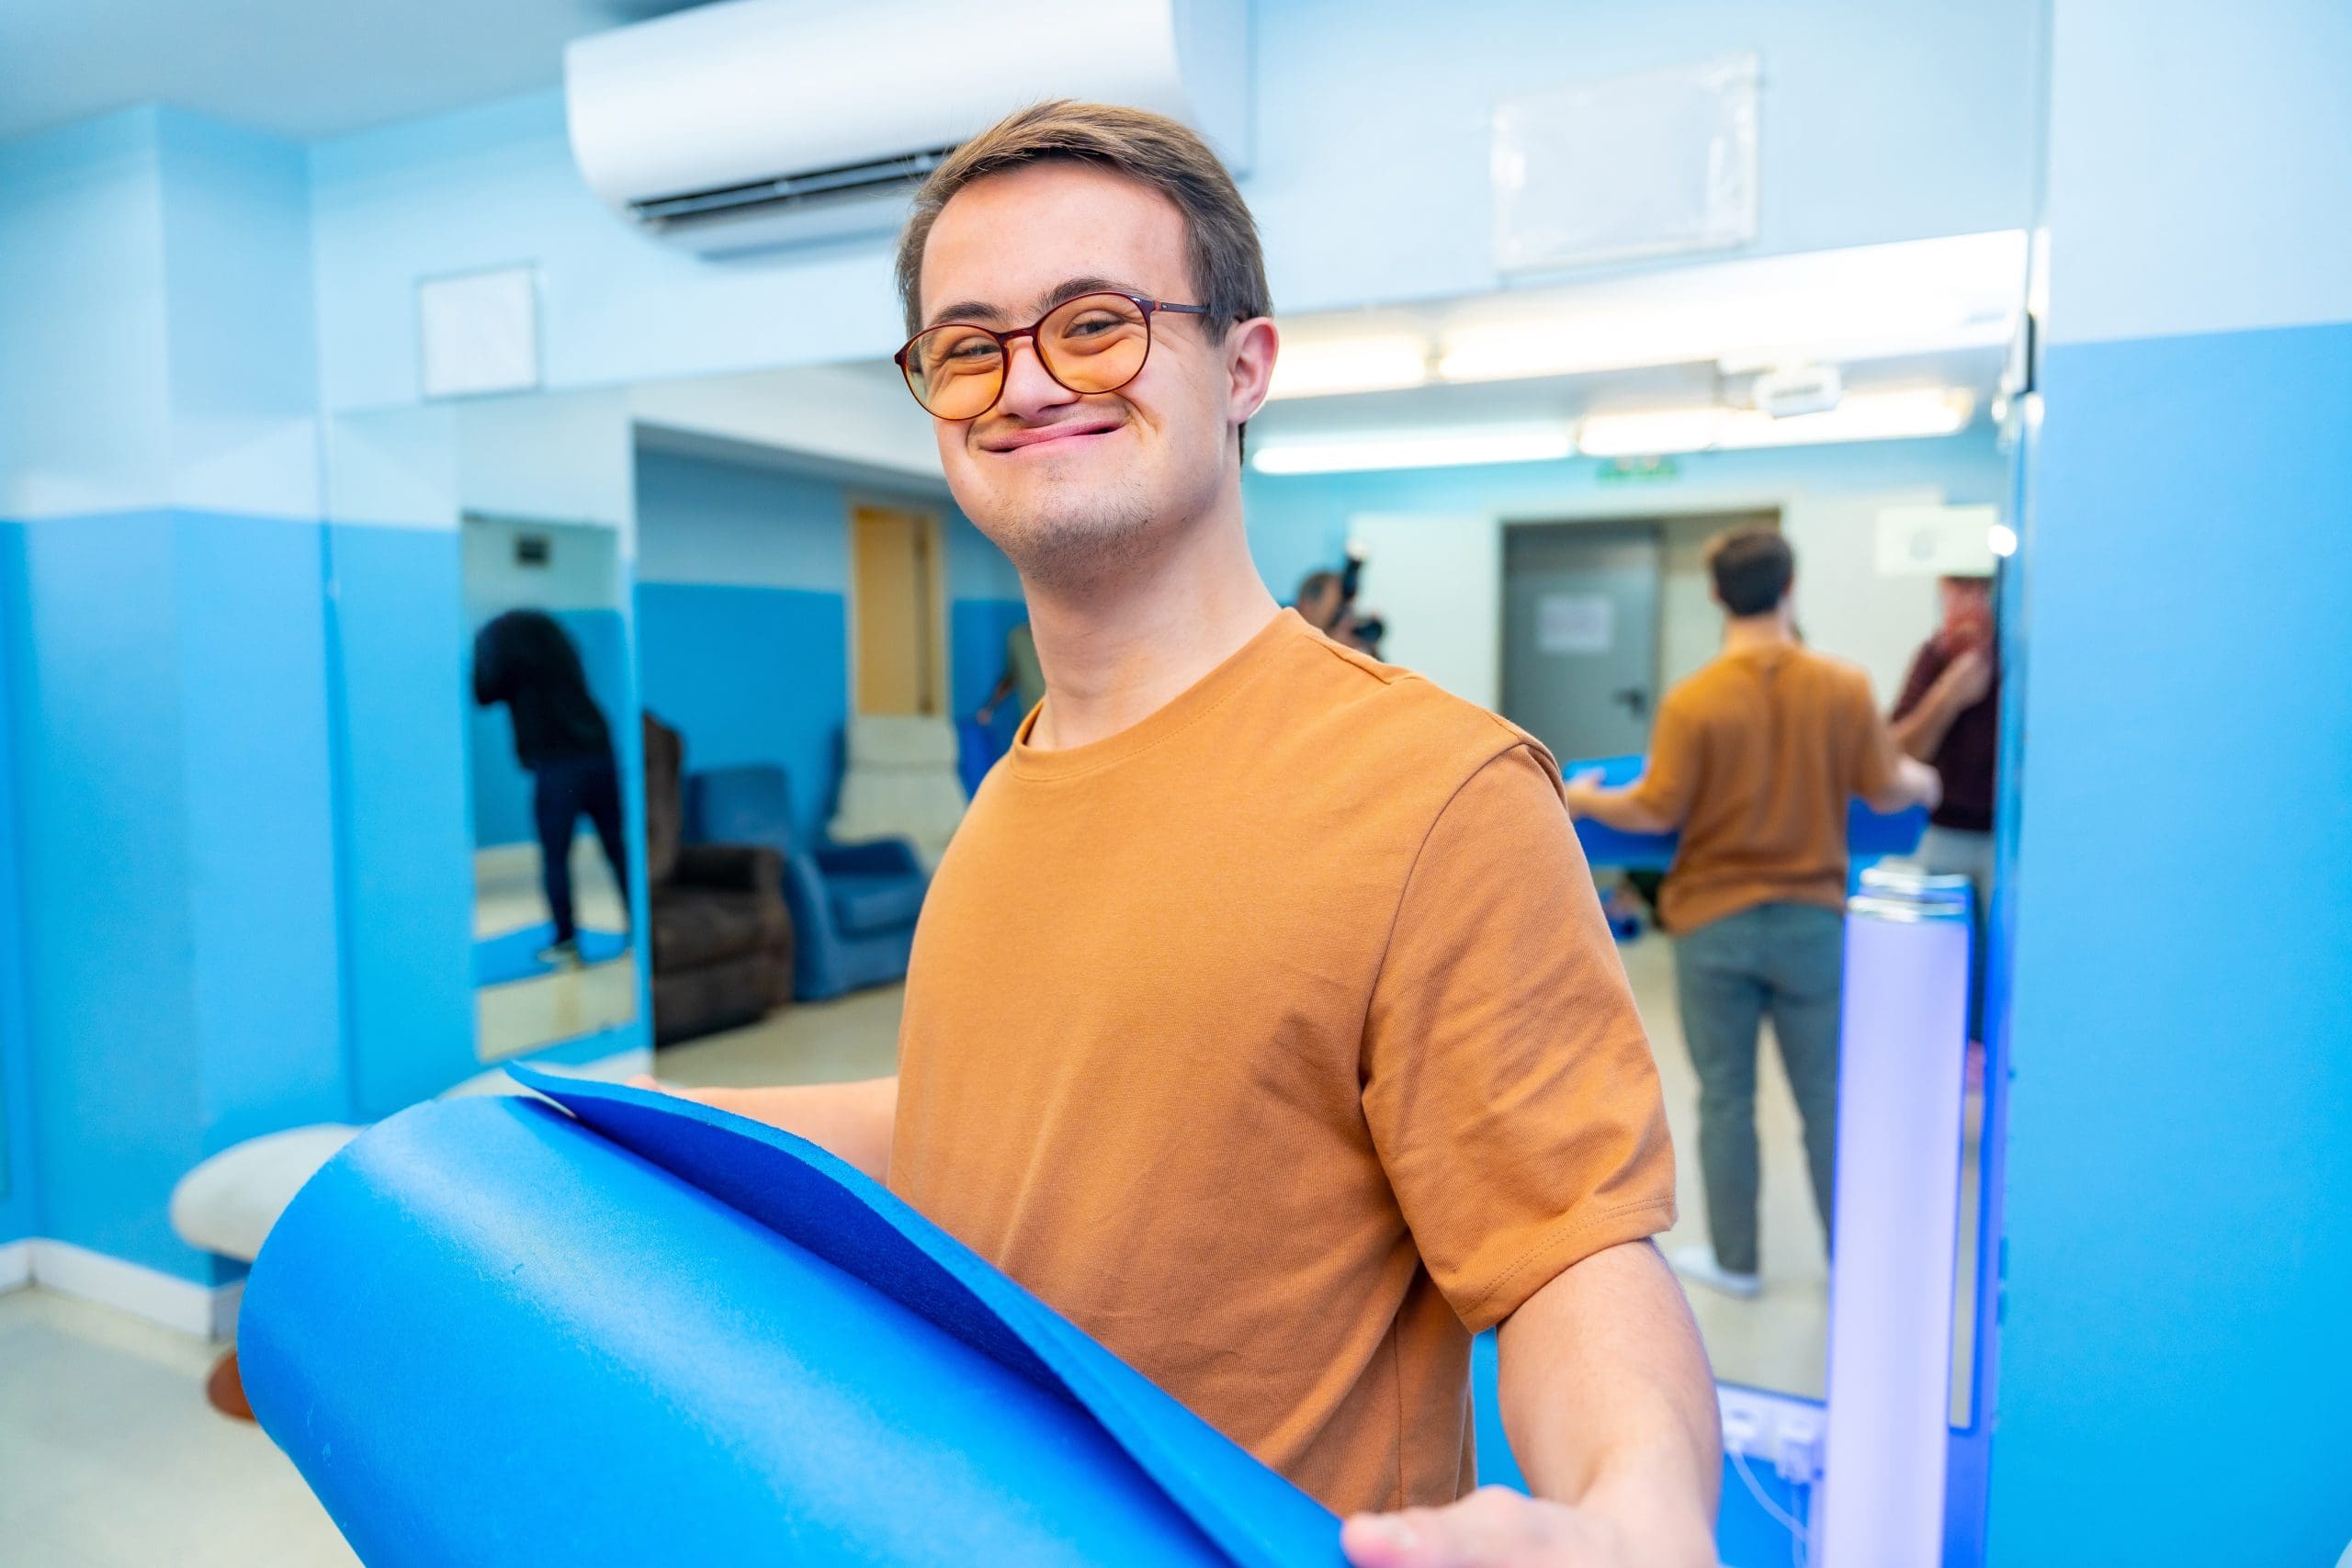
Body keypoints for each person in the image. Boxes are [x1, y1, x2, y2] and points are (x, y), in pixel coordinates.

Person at [639, 101, 1720, 1567]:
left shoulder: (1437, 790)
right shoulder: (1017, 776)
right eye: (969, 345)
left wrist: (1638, 1510)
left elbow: (1569, 1251)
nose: (1027, 381)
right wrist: (591, 1123)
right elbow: (1015, 1111)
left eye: (1096, 322)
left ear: (1245, 364)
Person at [1564, 529, 1940, 1300]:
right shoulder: (1843, 686)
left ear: (1714, 595)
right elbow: (1883, 784)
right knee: (1826, 1098)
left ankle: (1736, 1262)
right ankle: (1853, 1261)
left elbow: (1653, 806)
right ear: (1790, 584)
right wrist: (1928, 783)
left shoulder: (1694, 700)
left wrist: (1581, 797)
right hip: (1813, 925)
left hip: (1714, 926)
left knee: (1726, 1097)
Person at [471, 608, 628, 968]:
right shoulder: (561, 653)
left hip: (559, 766)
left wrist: (483, 650)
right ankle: (642, 932)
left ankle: (566, 941)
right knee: (618, 849)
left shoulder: (507, 659)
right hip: (599, 753)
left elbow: (483, 692)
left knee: (556, 856)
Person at [1890, 574, 1999, 1044]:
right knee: (1937, 961)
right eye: (1956, 592)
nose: (1966, 605)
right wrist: (1950, 695)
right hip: (1941, 834)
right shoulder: (1933, 659)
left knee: (1999, 966)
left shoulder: (2022, 659)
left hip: (2004, 841)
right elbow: (1901, 752)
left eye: (1978, 591)